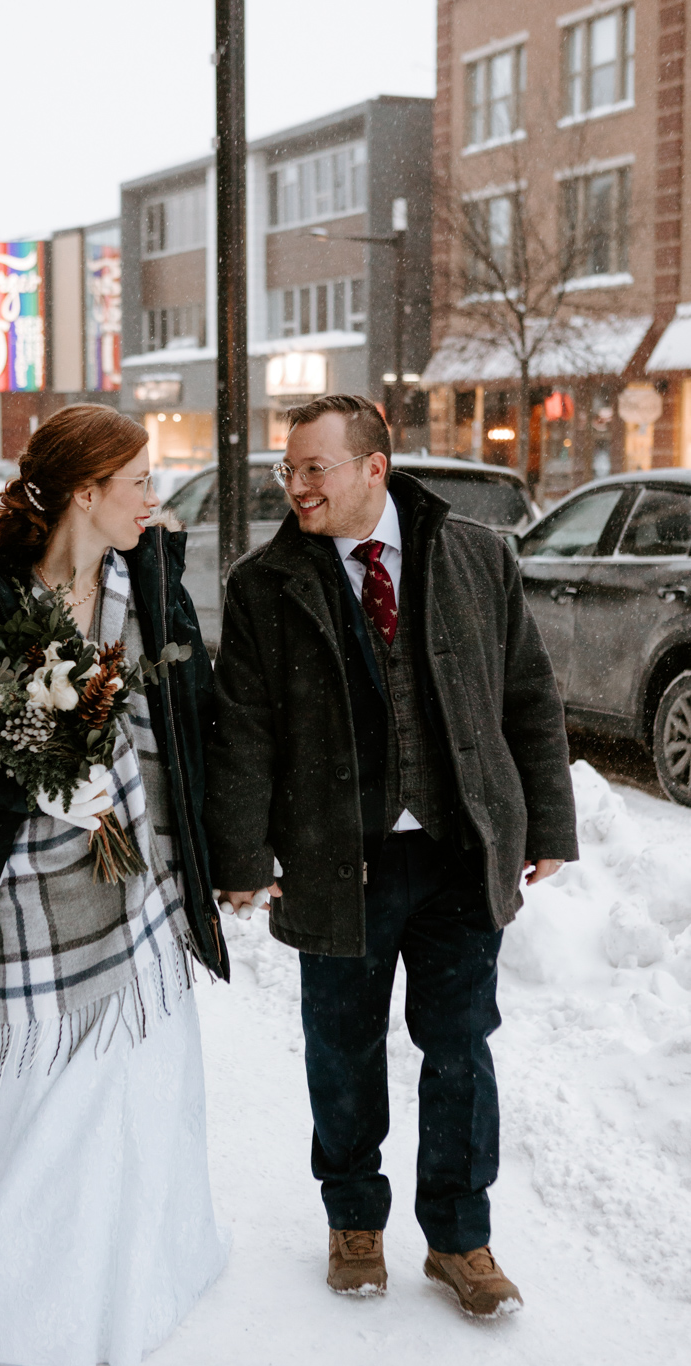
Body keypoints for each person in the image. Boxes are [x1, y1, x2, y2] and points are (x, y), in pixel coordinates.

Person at [206, 394, 577, 1316]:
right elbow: (242, 731)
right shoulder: (264, 584)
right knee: (342, 1048)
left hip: (458, 852)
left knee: (459, 1049)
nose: (295, 486)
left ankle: (460, 1239)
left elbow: (527, 697)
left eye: (312, 468)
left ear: (373, 467)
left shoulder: (477, 556)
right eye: (286, 471)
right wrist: (243, 854)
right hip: (334, 859)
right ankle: (353, 1221)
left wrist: (546, 825)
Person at [0, 404, 229, 1366]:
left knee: (131, 1074)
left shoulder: (152, 580)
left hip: (149, 874)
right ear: (87, 492)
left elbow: (200, 718)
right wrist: (37, 771)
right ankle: (43, 1301)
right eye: (137, 484)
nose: (151, 501)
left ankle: (137, 1255)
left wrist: (239, 852)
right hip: (34, 882)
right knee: (75, 1081)